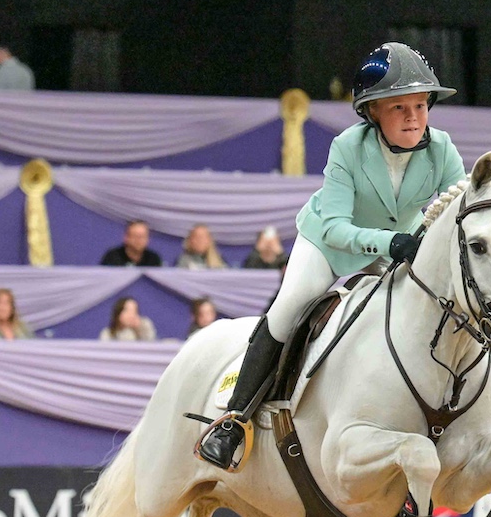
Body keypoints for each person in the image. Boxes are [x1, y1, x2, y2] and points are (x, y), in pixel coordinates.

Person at [196, 42, 466, 470]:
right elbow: (336, 226)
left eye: (421, 104)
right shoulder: (347, 146)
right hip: (330, 244)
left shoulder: (442, 148)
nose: (414, 117)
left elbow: (460, 209)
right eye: (399, 107)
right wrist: (390, 243)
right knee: (288, 309)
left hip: (398, 246)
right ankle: (233, 420)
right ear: (373, 111)